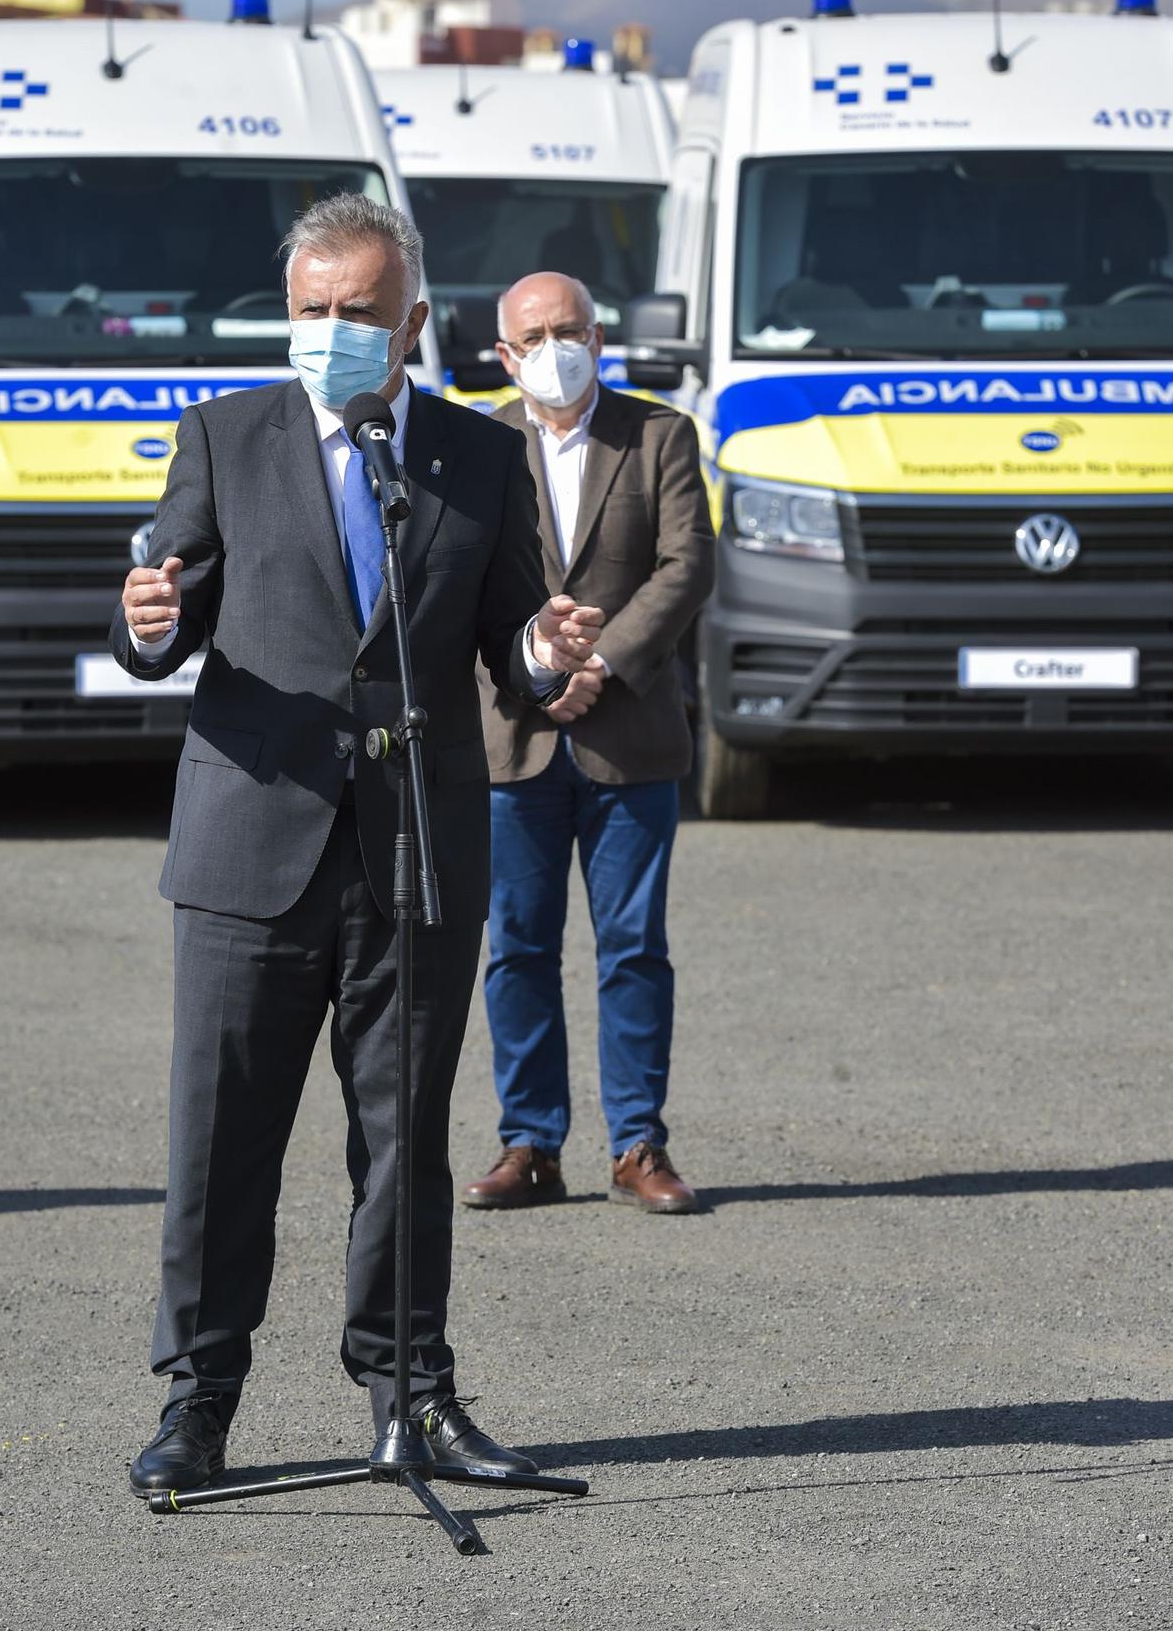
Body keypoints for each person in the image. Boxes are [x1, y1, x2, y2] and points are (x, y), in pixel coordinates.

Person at [114, 197, 604, 1497]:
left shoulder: (470, 460)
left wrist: (544, 655)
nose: (331, 335)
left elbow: (506, 642)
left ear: (414, 324)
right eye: (310, 313)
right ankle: (198, 1401)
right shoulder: (224, 437)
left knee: (401, 1139)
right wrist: (148, 622)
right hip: (247, 841)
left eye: (358, 316)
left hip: (413, 849)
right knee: (222, 1140)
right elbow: (168, 617)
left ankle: (411, 1392)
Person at [463, 272, 714, 1216]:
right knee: (516, 949)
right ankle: (529, 1144)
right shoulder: (474, 440)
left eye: (568, 331)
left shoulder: (659, 434)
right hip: (511, 737)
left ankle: (638, 1145)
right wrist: (536, 667)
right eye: (532, 335)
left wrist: (598, 665)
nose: (552, 348)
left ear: (599, 339)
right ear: (504, 353)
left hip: (629, 736)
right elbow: (455, 578)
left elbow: (687, 564)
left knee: (632, 949)